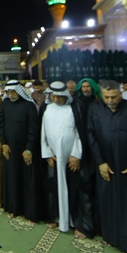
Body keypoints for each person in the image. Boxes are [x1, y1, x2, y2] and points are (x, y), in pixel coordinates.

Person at [87, 80, 127, 253]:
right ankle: (110, 236)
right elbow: (91, 135)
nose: (110, 100)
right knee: (107, 200)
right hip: (105, 165)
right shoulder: (94, 108)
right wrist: (100, 162)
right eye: (106, 97)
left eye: (114, 97)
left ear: (120, 94)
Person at [41, 81, 93, 238]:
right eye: (53, 96)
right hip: (54, 157)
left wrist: (77, 155)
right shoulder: (47, 108)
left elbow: (80, 133)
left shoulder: (75, 107)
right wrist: (47, 154)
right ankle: (57, 218)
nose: (56, 99)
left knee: (75, 189)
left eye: (59, 97)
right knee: (54, 188)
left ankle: (77, 223)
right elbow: (42, 133)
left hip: (71, 158)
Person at [0, 80, 40, 224]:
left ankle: (30, 213)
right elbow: (0, 125)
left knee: (28, 180)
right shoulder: (5, 104)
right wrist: (4, 143)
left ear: (19, 91)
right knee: (12, 178)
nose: (10, 95)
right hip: (9, 148)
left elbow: (34, 129)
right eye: (8, 92)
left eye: (13, 92)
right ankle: (14, 208)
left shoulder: (29, 105)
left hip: (26, 150)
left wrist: (29, 149)